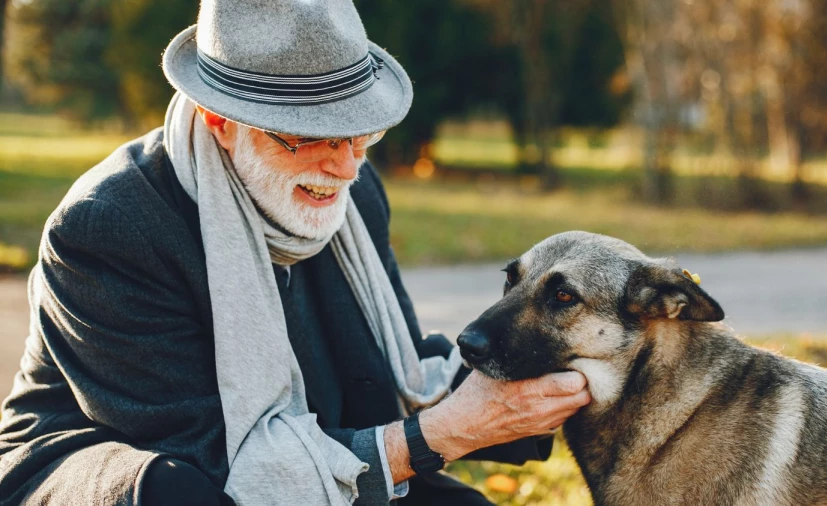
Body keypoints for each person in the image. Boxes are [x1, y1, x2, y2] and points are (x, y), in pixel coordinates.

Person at [0, 1, 591, 505]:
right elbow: (214, 462)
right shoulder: (109, 229)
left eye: (360, 130)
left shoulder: (357, 190)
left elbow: (392, 373)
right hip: (137, 468)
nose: (345, 164)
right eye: (308, 135)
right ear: (220, 120)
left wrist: (540, 374)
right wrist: (441, 435)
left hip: (317, 444)